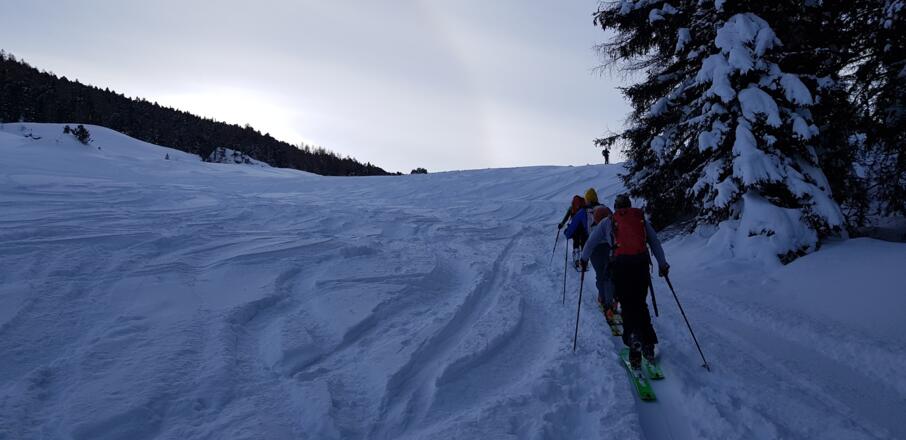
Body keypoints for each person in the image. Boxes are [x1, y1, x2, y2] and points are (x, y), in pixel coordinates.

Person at [580, 194, 669, 369]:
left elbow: (591, 242)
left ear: (615, 207)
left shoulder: (608, 221)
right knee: (641, 304)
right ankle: (649, 346)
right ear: (629, 205)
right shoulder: (640, 219)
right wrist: (662, 264)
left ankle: (634, 345)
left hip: (621, 268)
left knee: (627, 306)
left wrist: (583, 260)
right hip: (641, 266)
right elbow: (655, 242)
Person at [588, 206, 616, 321]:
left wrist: (584, 259)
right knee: (609, 276)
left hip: (596, 250)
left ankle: (603, 299)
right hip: (610, 249)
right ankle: (610, 301)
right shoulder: (610, 220)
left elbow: (589, 244)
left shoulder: (593, 220)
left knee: (601, 275)